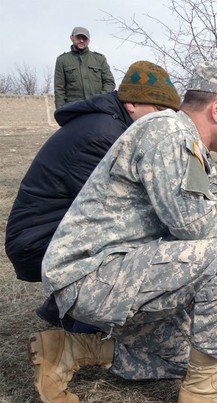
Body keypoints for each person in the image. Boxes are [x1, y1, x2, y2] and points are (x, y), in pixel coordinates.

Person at [30, 61, 217, 402]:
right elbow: (194, 224)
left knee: (179, 353)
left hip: (117, 271)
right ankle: (206, 389)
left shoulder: (193, 148)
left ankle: (70, 350)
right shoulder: (168, 132)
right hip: (89, 275)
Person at [5, 61, 181, 331]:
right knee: (139, 237)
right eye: (158, 110)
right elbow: (113, 211)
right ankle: (83, 324)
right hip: (37, 240)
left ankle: (64, 310)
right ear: (132, 103)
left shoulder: (111, 125)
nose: (164, 119)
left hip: (45, 231)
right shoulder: (103, 136)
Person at [54, 27, 116, 110]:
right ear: (71, 38)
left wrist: (99, 99)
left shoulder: (99, 59)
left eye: (84, 38)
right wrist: (61, 112)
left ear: (89, 41)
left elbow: (109, 83)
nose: (81, 40)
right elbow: (59, 89)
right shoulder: (62, 60)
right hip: (74, 109)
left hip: (98, 108)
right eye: (78, 37)